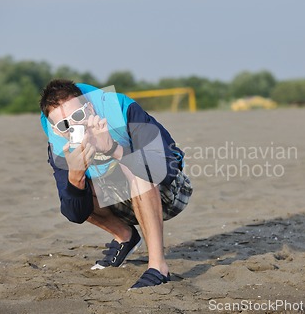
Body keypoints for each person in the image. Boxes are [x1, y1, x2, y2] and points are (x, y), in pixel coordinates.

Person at [39, 79, 193, 289]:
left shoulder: (121, 108)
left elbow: (164, 168)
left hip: (170, 191)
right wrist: (75, 176)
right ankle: (125, 236)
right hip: (123, 200)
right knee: (76, 189)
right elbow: (74, 214)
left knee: (135, 168)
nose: (75, 126)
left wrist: (113, 149)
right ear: (56, 130)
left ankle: (158, 267)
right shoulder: (58, 146)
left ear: (89, 107)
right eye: (64, 125)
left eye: (78, 116)